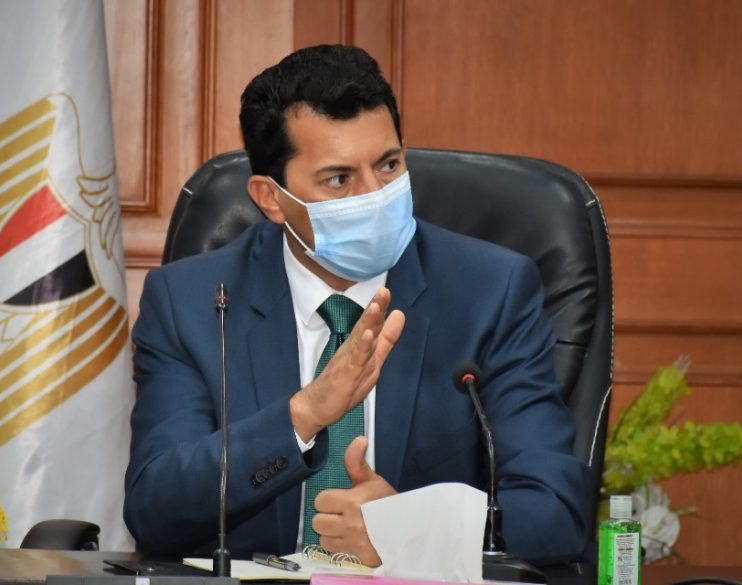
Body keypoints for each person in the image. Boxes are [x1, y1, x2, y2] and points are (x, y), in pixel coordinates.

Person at [124, 44, 588, 567]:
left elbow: (555, 512)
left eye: (388, 165)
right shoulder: (191, 304)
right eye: (339, 179)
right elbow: (154, 511)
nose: (375, 195)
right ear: (271, 198)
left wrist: (412, 532)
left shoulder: (491, 293)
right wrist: (303, 416)